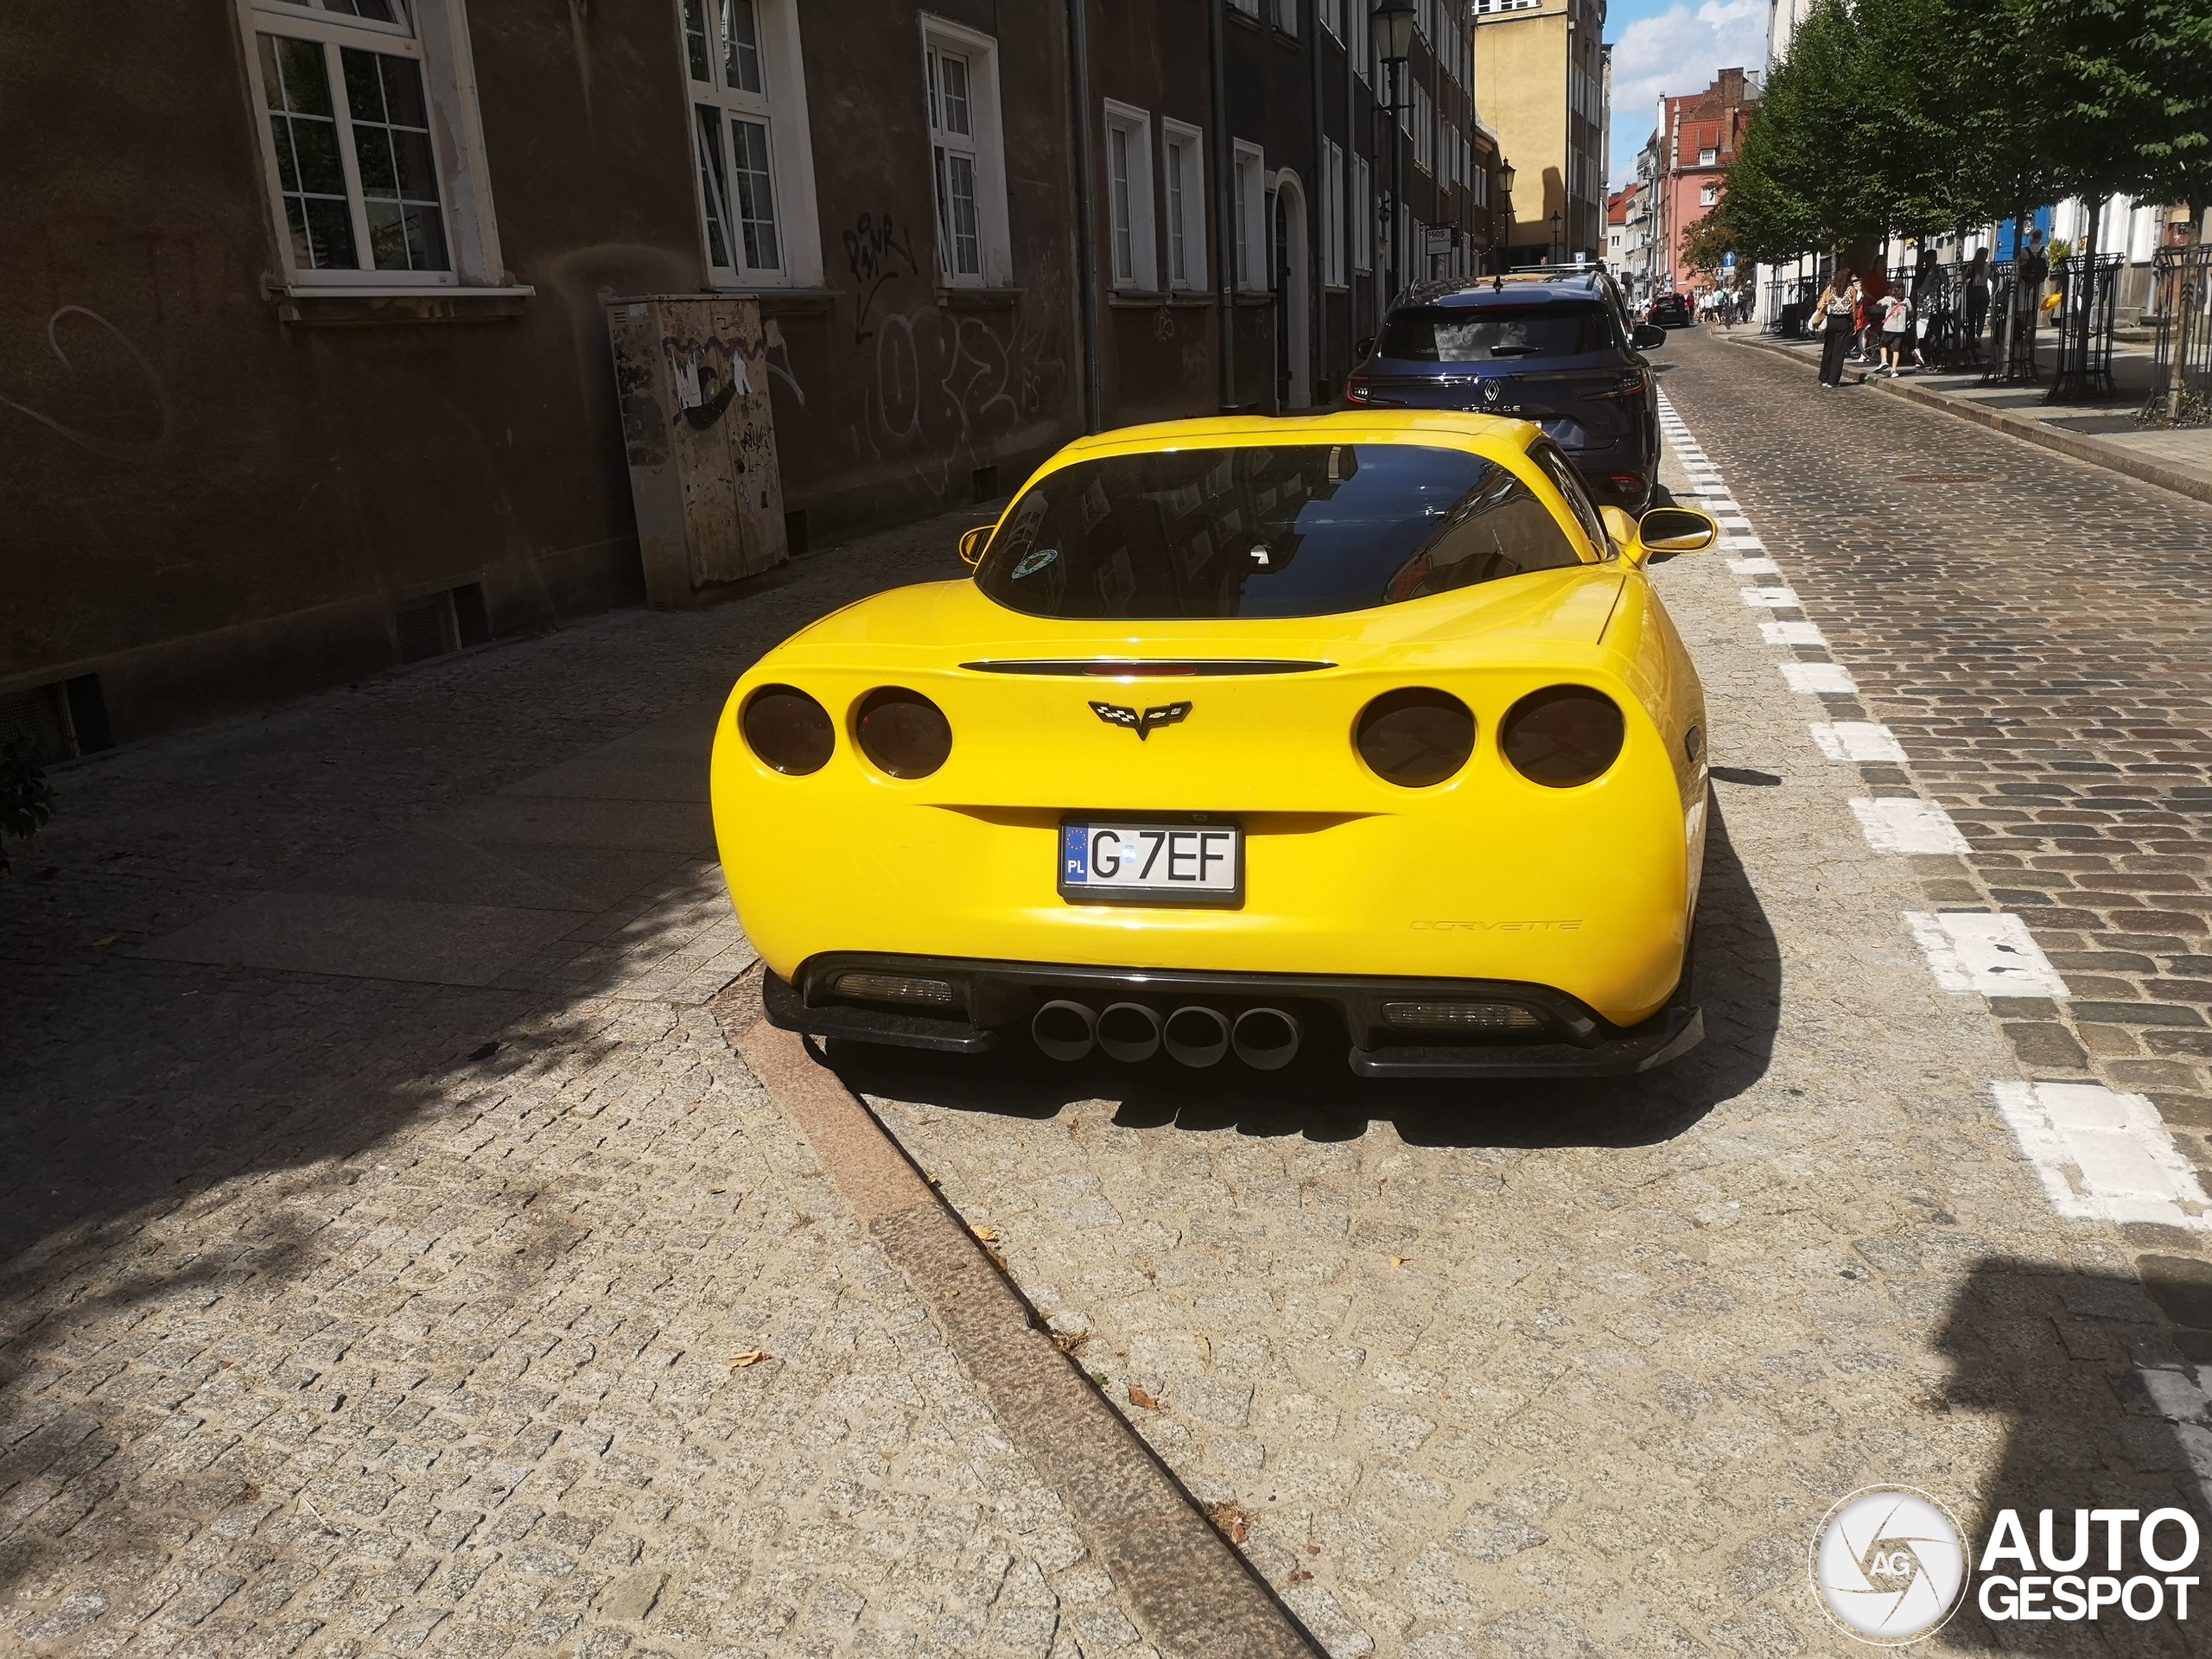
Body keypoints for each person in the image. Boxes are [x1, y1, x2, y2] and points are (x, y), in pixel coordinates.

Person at [1815, 268, 1861, 387]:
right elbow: (1854, 309)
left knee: (1828, 349)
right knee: (1838, 351)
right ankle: (1833, 380)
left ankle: (1824, 377)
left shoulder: (1831, 288)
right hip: (1844, 320)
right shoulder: (1852, 291)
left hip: (1832, 319)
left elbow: (1824, 302)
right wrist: (1855, 323)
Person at [1878, 289, 1914, 375]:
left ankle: (1884, 361)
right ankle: (1894, 370)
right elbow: (1911, 312)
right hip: (1901, 329)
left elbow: (1878, 302)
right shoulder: (1907, 300)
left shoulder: (1888, 299)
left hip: (1888, 328)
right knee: (1896, 349)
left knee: (1883, 344)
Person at [1963, 247, 1991, 348]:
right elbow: (1993, 278)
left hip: (1974, 291)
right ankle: (1978, 336)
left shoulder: (1972, 266)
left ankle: (1970, 337)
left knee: (1971, 315)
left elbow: (1966, 277)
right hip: (1984, 290)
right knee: (1981, 315)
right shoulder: (1987, 267)